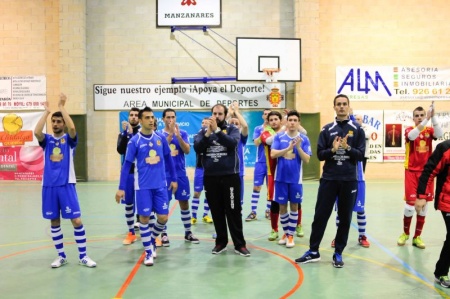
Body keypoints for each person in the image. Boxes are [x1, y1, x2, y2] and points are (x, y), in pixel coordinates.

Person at [295, 94, 365, 268]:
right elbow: (319, 155)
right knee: (320, 216)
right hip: (329, 179)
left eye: (344, 104)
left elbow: (360, 155)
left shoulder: (357, 130)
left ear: (349, 107)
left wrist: (347, 147)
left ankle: (338, 253)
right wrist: (333, 150)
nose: (341, 107)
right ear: (334, 107)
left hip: (349, 180)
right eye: (338, 104)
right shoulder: (326, 130)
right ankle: (313, 251)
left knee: (345, 218)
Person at [34, 93, 96, 268]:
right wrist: (46, 112)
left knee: (76, 220)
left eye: (58, 121)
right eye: (53, 122)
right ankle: (61, 256)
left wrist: (62, 107)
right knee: (54, 221)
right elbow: (37, 132)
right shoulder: (46, 140)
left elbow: (73, 128)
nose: (55, 124)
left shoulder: (69, 140)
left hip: (66, 184)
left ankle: (83, 256)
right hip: (48, 186)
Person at [115, 107, 177, 266]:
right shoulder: (134, 141)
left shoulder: (161, 138)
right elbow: (127, 164)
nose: (151, 120)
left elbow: (168, 158)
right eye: (147, 117)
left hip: (160, 185)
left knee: (163, 217)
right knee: (143, 218)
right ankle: (149, 252)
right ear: (141, 121)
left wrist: (174, 178)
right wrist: (121, 187)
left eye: (152, 117)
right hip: (142, 186)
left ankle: (151, 241)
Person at [194, 104, 250, 257]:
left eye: (220, 114)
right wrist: (208, 133)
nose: (217, 116)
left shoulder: (232, 129)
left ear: (225, 115)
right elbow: (198, 148)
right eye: (214, 113)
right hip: (211, 178)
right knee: (216, 211)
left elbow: (232, 144)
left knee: (233, 211)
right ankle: (221, 243)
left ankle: (240, 244)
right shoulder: (203, 132)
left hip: (230, 177)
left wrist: (217, 131)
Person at [397, 102, 443, 249]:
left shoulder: (429, 130)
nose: (419, 118)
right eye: (416, 116)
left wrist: (433, 117)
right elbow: (412, 136)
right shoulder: (409, 130)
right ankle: (405, 233)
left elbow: (440, 134)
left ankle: (417, 237)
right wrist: (426, 120)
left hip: (426, 173)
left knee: (423, 207)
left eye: (422, 115)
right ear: (413, 118)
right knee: (410, 206)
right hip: (411, 171)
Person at [271, 110, 311, 248]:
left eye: (295, 120)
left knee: (294, 206)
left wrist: (298, 148)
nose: (292, 122)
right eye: (290, 120)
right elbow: (273, 154)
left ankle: (290, 235)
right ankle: (286, 233)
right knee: (282, 207)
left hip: (295, 180)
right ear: (286, 122)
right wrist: (287, 148)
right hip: (280, 178)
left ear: (299, 122)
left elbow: (306, 159)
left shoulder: (304, 139)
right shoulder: (279, 137)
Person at [159, 108, 199, 246]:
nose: (170, 119)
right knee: (164, 205)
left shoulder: (183, 133)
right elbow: (161, 151)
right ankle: (164, 234)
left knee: (184, 202)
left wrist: (178, 137)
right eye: (168, 117)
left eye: (173, 117)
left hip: (180, 174)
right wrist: (170, 135)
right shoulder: (158, 134)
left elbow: (187, 150)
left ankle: (188, 232)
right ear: (163, 119)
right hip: (165, 175)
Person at [416, 140, 450, 288]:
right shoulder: (445, 148)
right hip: (447, 201)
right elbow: (429, 171)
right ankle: (441, 272)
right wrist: (421, 195)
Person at [116, 107, 140, 245]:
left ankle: (151, 234)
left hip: (142, 173)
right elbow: (120, 150)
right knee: (129, 203)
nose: (134, 117)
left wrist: (132, 134)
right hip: (129, 172)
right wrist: (126, 134)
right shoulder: (123, 133)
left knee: (145, 204)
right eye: (131, 115)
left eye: (136, 115)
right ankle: (131, 233)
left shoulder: (143, 133)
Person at [259, 111, 283, 241]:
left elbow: (304, 134)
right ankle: (274, 229)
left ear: (280, 120)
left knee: (294, 201)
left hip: (289, 172)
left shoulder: (289, 131)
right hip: (273, 173)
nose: (274, 121)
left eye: (276, 119)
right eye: (271, 119)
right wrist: (285, 128)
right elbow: (269, 141)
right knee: (275, 202)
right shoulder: (265, 133)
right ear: (268, 122)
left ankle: (297, 225)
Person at [246, 108, 271, 221]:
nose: (267, 116)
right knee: (256, 187)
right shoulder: (258, 129)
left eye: (269, 114)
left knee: (270, 188)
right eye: (265, 114)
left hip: (272, 162)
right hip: (260, 162)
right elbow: (256, 143)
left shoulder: (275, 129)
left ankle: (268, 211)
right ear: (263, 116)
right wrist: (264, 133)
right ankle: (253, 212)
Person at [191, 118, 213, 225]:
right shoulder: (197, 136)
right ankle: (193, 216)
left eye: (207, 123)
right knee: (196, 193)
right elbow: (199, 146)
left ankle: (205, 215)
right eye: (203, 123)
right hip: (200, 168)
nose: (204, 124)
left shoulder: (213, 136)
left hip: (210, 169)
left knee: (209, 193)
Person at [228, 101, 249, 205]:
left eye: (237, 124)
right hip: (226, 172)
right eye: (232, 123)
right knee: (227, 201)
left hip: (238, 172)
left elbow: (245, 126)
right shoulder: (224, 136)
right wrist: (229, 113)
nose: (235, 125)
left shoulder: (241, 138)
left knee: (238, 202)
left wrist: (236, 112)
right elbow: (218, 124)